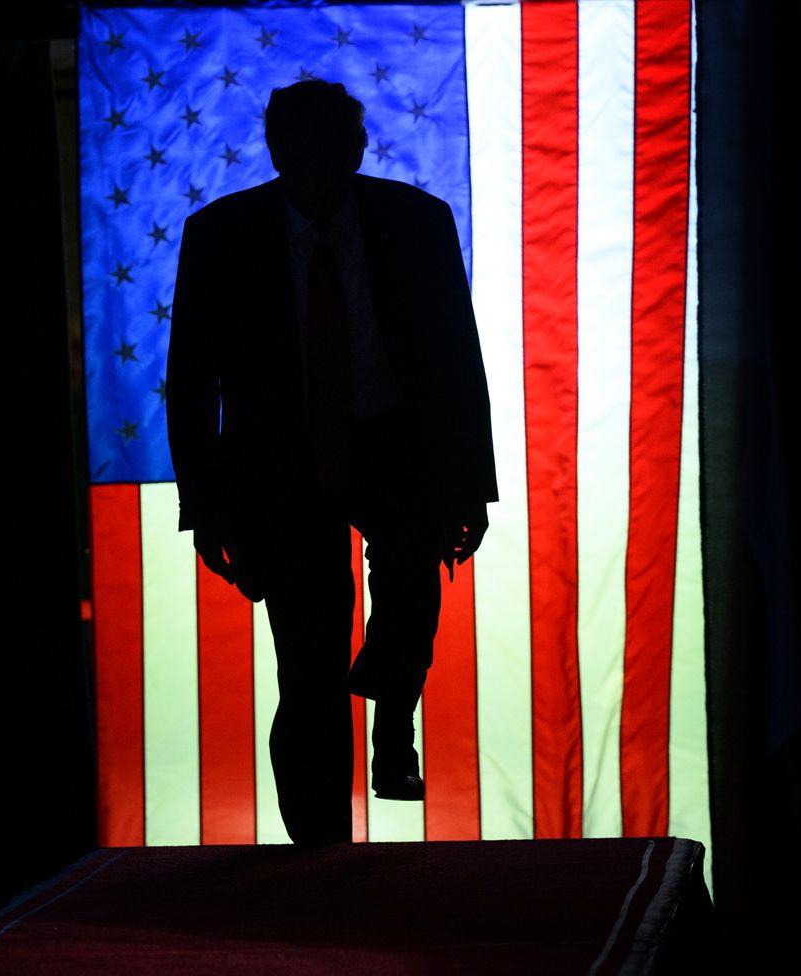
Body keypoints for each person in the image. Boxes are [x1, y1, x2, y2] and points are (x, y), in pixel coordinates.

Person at [165, 79, 498, 847]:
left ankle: (389, 721)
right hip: (282, 467)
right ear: (277, 152)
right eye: (301, 151)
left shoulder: (417, 222)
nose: (317, 166)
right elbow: (191, 378)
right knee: (309, 668)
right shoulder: (221, 234)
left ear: (357, 148)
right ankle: (319, 848)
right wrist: (205, 506)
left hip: (395, 447)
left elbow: (456, 359)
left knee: (409, 601)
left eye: (332, 149)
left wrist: (468, 487)